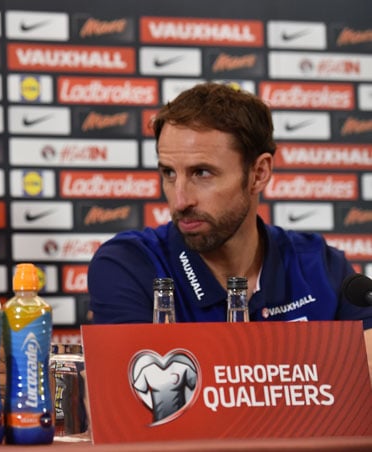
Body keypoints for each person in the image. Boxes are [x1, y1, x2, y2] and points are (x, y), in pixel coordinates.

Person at [87, 82, 372, 375]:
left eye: (202, 173)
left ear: (258, 174)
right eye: (169, 173)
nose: (180, 199)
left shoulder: (322, 266)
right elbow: (140, 402)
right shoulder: (130, 265)